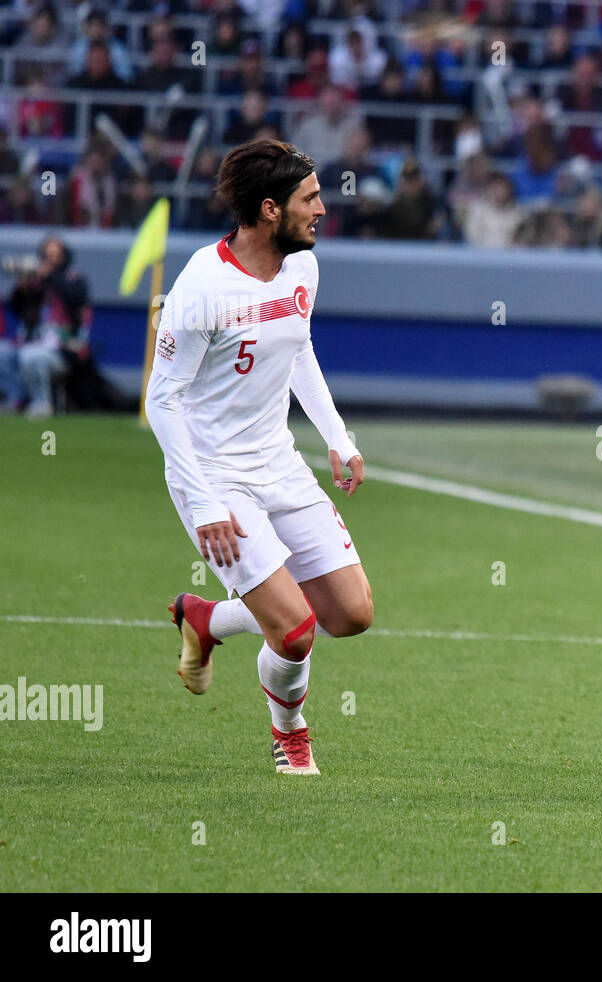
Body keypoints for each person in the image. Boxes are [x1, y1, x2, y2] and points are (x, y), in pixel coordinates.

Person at [145, 140, 374, 776]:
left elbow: (297, 347)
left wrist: (337, 436)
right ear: (270, 210)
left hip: (280, 464)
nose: (323, 209)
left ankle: (207, 618)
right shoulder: (202, 287)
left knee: (351, 614)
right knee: (296, 630)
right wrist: (204, 500)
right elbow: (163, 402)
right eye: (311, 198)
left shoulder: (303, 266)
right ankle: (290, 733)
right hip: (214, 475)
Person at [0, 236, 91, 418]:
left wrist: (50, 277)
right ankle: (16, 398)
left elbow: (75, 299)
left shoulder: (73, 278)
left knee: (31, 356)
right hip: (31, 339)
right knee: (3, 352)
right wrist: (22, 288)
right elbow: (17, 308)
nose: (50, 261)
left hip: (61, 348)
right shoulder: (36, 281)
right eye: (47, 256)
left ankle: (41, 402)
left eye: (55, 256)